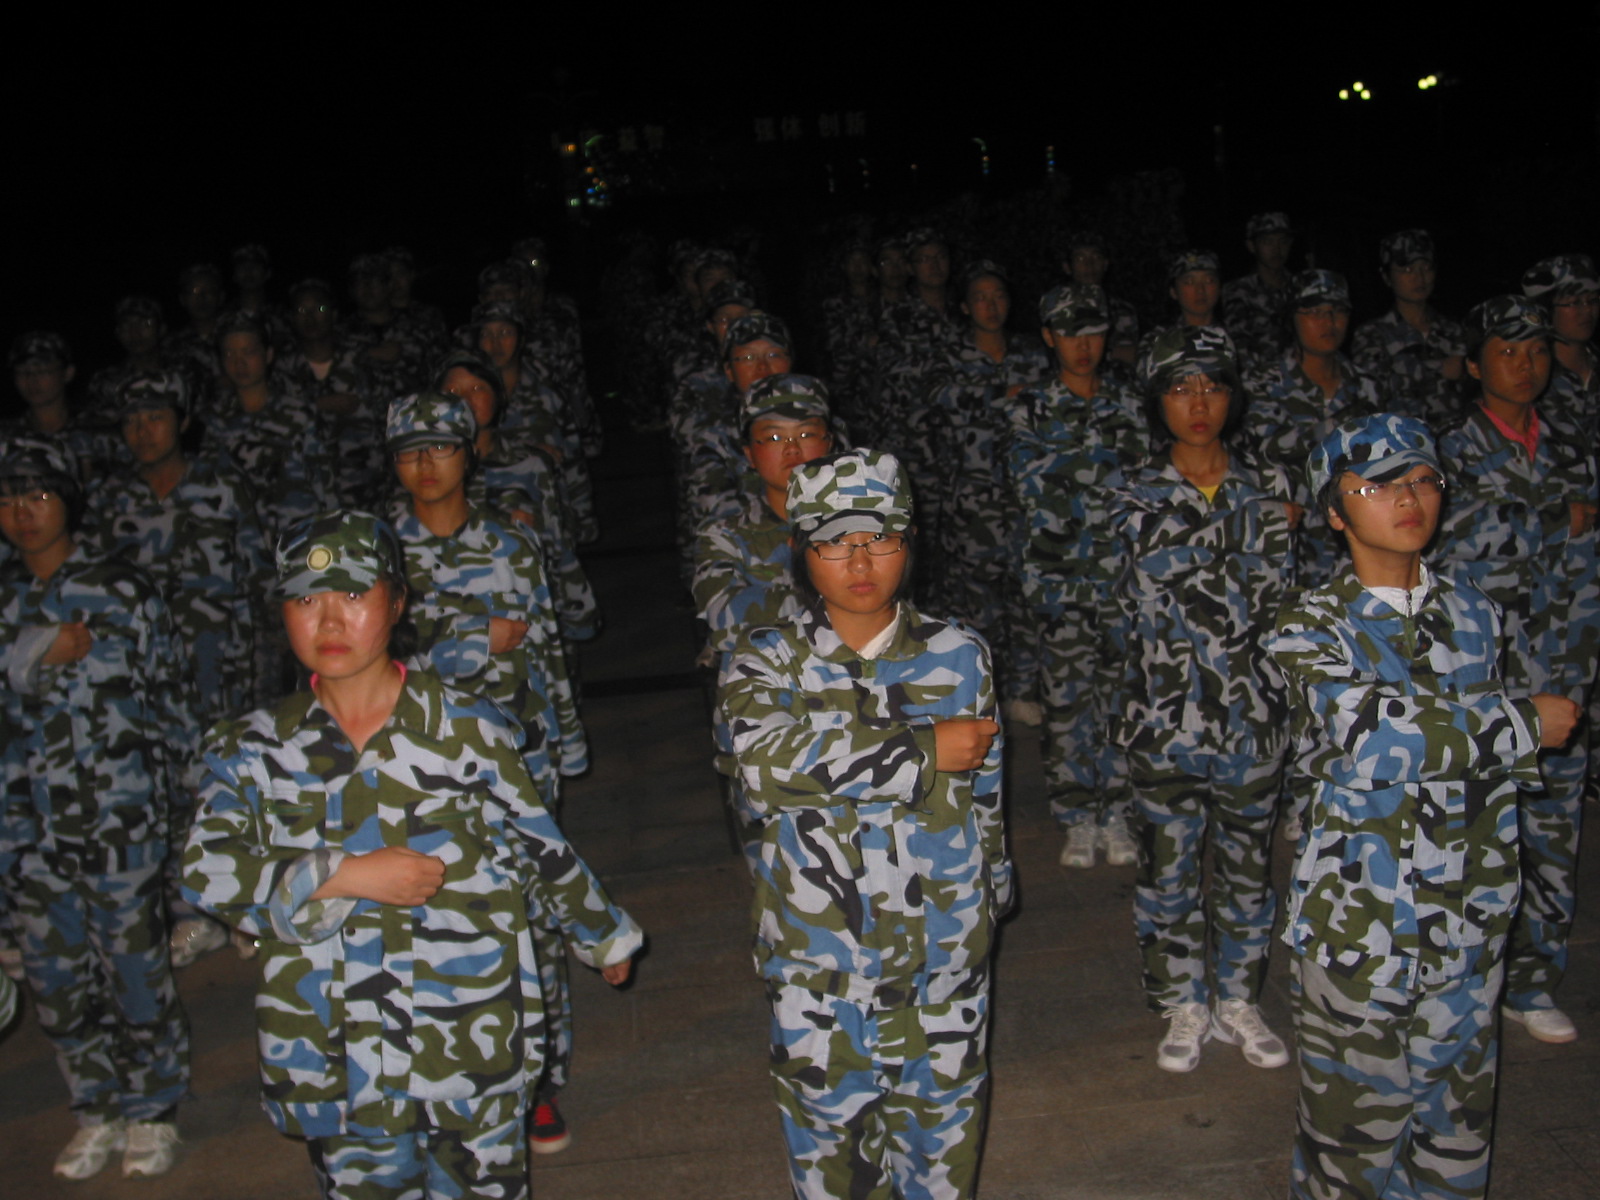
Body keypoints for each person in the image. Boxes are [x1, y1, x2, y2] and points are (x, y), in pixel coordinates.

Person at [181, 509, 641, 1200]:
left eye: (352, 594)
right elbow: (206, 871)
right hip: (334, 1054)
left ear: (396, 602)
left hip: (464, 1031)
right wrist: (342, 875)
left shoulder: (465, 729)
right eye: (305, 600)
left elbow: (538, 844)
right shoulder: (253, 749)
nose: (329, 620)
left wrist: (600, 934)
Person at [1270, 414, 1576, 1200]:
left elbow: (1485, 765)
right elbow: (1374, 738)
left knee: (1455, 1136)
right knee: (1351, 1149)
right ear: (1334, 512)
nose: (1408, 498)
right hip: (1361, 928)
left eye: (1422, 479)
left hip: (1469, 920)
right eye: (1376, 485)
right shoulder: (1308, 626)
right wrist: (1520, 724)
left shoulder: (1475, 614)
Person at [720, 449, 1012, 1200]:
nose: (858, 561)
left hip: (942, 961)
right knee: (833, 1168)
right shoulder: (764, 661)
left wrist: (992, 894)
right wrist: (923, 749)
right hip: (821, 967)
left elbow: (985, 796)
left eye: (879, 537)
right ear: (801, 550)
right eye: (832, 540)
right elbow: (766, 767)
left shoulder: (959, 654)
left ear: (908, 544)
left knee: (942, 1160)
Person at [0, 434, 194, 1180]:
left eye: (39, 495)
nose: (23, 512)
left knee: (136, 972)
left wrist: (186, 814)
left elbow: (169, 701)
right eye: (8, 499)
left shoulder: (121, 590)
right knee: (56, 982)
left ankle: (153, 1108)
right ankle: (96, 1108)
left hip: (120, 819)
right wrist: (31, 650)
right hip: (28, 830)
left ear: (69, 501)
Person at [1109, 325, 1298, 1073]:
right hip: (1165, 718)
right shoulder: (1128, 491)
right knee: (1169, 873)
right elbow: (1131, 586)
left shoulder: (1273, 484)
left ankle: (1238, 998)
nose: (1198, 403)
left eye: (1213, 386)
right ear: (1155, 399)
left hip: (1254, 714)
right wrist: (1249, 530)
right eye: (1180, 387)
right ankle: (1181, 1001)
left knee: (1249, 870)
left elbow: (1294, 603)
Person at [1434, 295, 1600, 1046]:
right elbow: (1451, 542)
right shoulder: (1446, 454)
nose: (1525, 365)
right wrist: (1554, 521)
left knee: (1554, 840)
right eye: (1506, 351)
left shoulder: (1573, 447)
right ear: (1474, 365)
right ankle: (1469, 982)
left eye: (1535, 350)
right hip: (1485, 680)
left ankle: (1533, 983)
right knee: (1476, 841)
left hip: (1564, 666)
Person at [1010, 284, 1146, 869]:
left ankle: (1117, 811)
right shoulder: (1028, 408)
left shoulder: (1133, 403)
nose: (1084, 345)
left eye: (1093, 332)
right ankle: (1077, 816)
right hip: (1059, 581)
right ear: (1049, 337)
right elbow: (1030, 486)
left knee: (1122, 703)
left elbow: (1146, 485)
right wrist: (1105, 474)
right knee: (1067, 707)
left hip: (1123, 580)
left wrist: (1072, 471)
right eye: (1070, 333)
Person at [1245, 269, 1384, 589]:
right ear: (1292, 317)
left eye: (1337, 311)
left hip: (1352, 538)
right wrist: (1340, 425)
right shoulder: (1264, 381)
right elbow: (1266, 447)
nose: (1329, 322)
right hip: (1288, 541)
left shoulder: (1366, 386)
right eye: (1315, 312)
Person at [1351, 229, 1467, 428]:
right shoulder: (1372, 334)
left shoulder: (1454, 331)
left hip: (1453, 440)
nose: (1419, 277)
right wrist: (1438, 368)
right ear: (1386, 277)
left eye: (1426, 267)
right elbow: (1371, 388)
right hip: (1400, 439)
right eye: (1407, 269)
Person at [1221, 212, 1295, 368]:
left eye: (1283, 242)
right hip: (1259, 375)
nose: (1277, 249)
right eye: (1267, 242)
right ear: (1252, 246)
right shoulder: (1238, 290)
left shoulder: (1300, 287)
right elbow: (1239, 344)